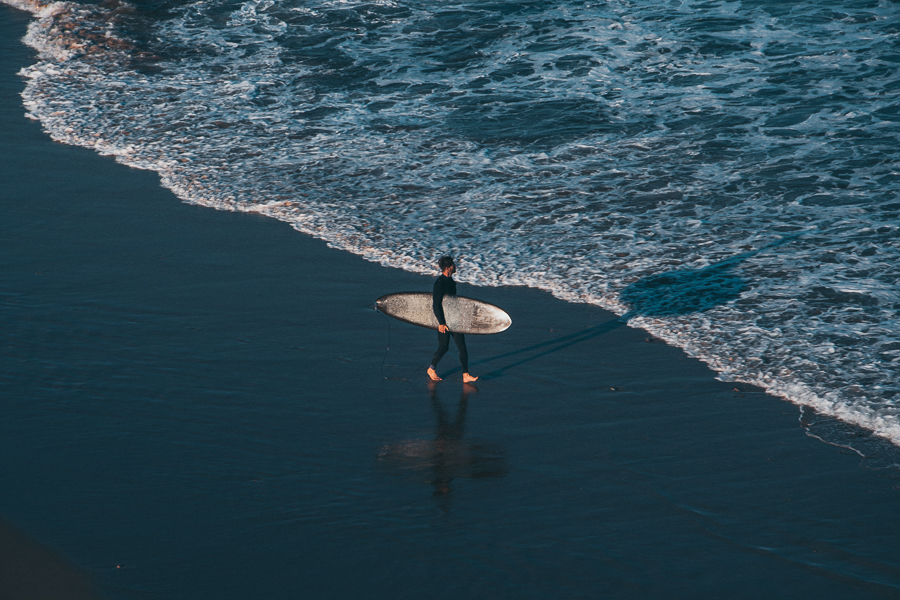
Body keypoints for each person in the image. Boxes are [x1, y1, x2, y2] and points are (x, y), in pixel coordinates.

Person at [427, 256, 478, 383]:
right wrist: (441, 323)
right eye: (454, 264)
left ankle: (465, 375)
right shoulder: (439, 283)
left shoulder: (450, 281)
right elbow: (436, 304)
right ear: (448, 267)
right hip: (444, 320)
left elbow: (453, 302)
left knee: (462, 347)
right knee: (444, 347)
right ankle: (431, 369)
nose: (455, 266)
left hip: (455, 318)